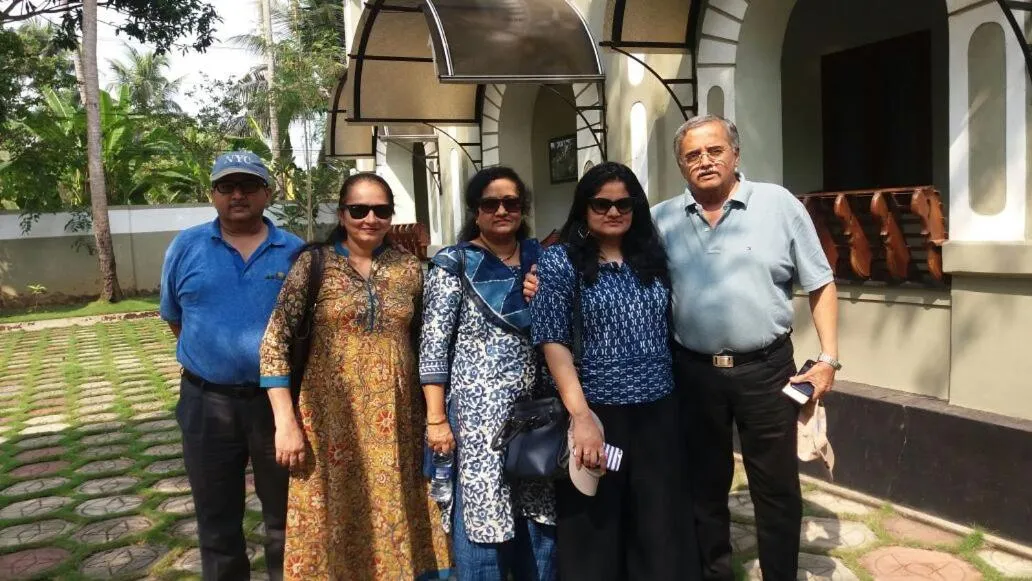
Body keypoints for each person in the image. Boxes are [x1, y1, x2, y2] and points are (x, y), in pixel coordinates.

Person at [651, 115, 840, 581]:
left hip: (768, 371)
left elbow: (821, 282)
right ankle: (714, 573)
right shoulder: (662, 219)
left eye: (714, 150)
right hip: (693, 373)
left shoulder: (778, 204)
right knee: (703, 485)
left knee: (775, 488)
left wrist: (828, 359)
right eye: (693, 155)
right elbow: (613, 262)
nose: (705, 161)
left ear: (736, 154)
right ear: (681, 165)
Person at [257, 172, 451, 580]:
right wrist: (285, 423)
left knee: (394, 515)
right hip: (328, 424)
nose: (370, 219)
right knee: (334, 517)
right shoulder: (315, 265)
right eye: (359, 209)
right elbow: (274, 342)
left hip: (397, 424)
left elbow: (439, 330)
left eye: (380, 210)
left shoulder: (409, 270)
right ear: (343, 214)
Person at [531, 161, 693, 581]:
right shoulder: (559, 263)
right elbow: (554, 344)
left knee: (657, 525)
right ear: (584, 208)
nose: (613, 211)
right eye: (601, 203)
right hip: (597, 413)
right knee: (594, 527)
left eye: (623, 203)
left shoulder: (653, 259)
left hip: (658, 410)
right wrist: (582, 417)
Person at [160, 151, 301, 581]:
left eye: (249, 186)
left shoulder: (294, 252)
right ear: (212, 194)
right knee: (217, 524)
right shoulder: (186, 247)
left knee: (285, 522)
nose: (237, 195)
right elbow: (174, 317)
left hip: (276, 409)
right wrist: (213, 364)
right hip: (206, 405)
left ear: (268, 193)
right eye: (226, 186)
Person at [419, 166, 557, 581]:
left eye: (511, 202)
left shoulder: (542, 259)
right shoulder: (455, 263)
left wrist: (545, 294)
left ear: (522, 209)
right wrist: (436, 418)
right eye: (490, 203)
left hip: (537, 411)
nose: (502, 210)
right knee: (485, 506)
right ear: (475, 212)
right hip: (479, 417)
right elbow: (433, 346)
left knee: (539, 501)